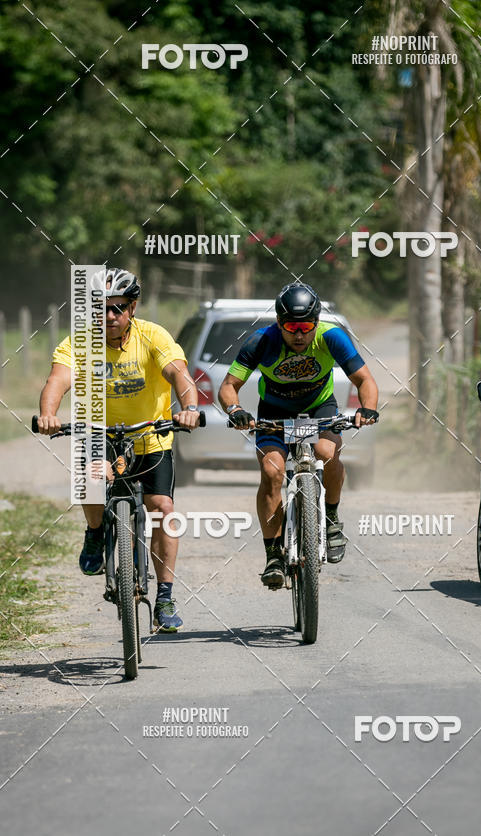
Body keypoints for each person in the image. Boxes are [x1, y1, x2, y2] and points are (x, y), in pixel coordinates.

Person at [36, 268, 201, 632]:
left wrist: (188, 408)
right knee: (91, 482)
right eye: (101, 308)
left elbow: (178, 373)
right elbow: (57, 381)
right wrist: (48, 415)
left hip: (151, 437)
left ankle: (165, 596)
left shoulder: (153, 335)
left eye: (118, 308)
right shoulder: (78, 343)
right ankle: (95, 531)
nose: (110, 316)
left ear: (133, 307)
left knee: (162, 509)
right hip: (99, 436)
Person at [218, 282, 379, 589]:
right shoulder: (261, 341)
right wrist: (235, 409)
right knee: (271, 471)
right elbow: (228, 386)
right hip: (274, 413)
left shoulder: (332, 337)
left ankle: (331, 519)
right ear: (279, 324)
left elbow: (365, 380)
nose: (300, 334)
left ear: (316, 323)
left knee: (327, 454)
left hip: (319, 408)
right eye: (292, 327)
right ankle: (273, 556)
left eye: (306, 326)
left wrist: (367, 409)